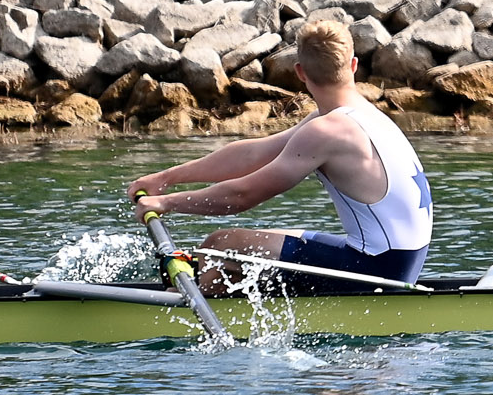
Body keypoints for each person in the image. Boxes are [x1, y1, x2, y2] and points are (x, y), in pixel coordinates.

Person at [125, 20, 433, 296]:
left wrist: (167, 203)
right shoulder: (359, 116)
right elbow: (253, 154)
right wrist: (166, 179)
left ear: (299, 72)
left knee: (218, 248)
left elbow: (242, 196)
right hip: (395, 259)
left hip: (379, 270)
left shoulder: (328, 130)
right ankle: (234, 298)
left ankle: (195, 323)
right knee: (251, 245)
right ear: (353, 65)